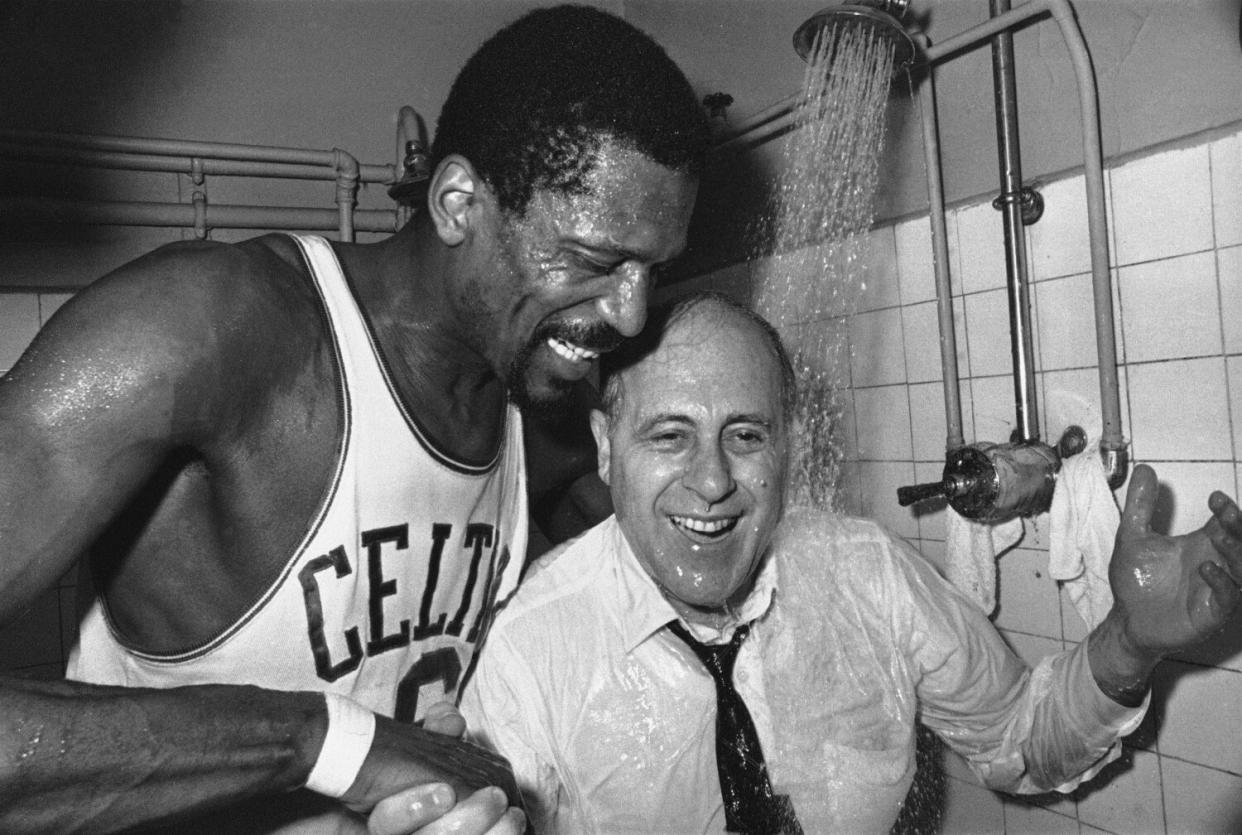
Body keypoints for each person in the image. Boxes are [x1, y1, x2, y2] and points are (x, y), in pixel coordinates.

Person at [0, 6, 710, 833]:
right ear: (456, 202)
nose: (630, 315)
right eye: (593, 260)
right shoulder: (203, 334)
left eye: (652, 271)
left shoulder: (545, 422)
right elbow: (347, 743)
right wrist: (325, 740)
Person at [459, 292, 1242, 833]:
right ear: (605, 445)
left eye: (746, 435)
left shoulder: (864, 573)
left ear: (788, 444)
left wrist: (1130, 644)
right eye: (669, 436)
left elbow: (1020, 740)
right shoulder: (532, 650)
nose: (712, 481)